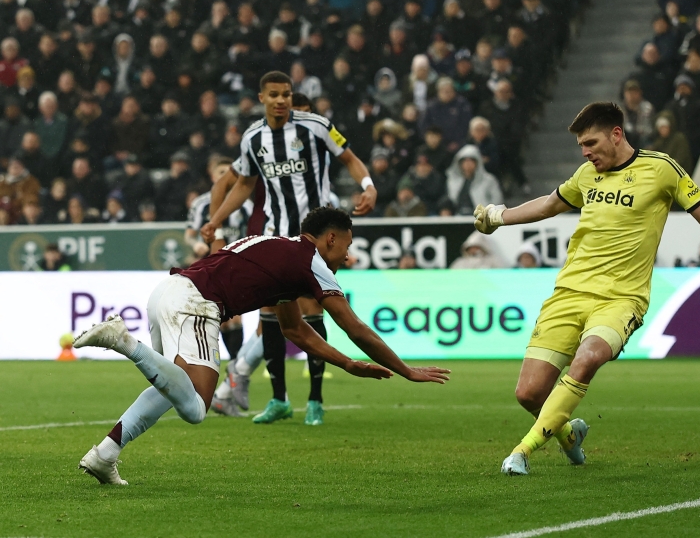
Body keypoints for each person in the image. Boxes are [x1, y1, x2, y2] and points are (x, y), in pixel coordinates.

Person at [472, 102, 700, 475]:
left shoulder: (661, 169)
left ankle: (522, 451)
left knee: (587, 358)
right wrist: (498, 216)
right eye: (581, 146)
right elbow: (550, 204)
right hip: (569, 293)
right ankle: (569, 435)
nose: (585, 152)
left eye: (591, 143)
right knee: (529, 393)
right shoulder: (587, 175)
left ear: (616, 134)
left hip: (621, 300)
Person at [75, 206, 450, 485]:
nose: (348, 256)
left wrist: (348, 364)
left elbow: (295, 330)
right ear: (331, 238)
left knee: (170, 388)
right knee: (195, 407)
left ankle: (105, 454)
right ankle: (125, 342)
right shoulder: (311, 262)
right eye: (347, 246)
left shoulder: (282, 250)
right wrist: (406, 371)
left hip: (168, 292)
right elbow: (355, 328)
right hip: (196, 305)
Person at [200, 72, 378, 425]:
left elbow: (349, 158)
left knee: (312, 309)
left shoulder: (316, 126)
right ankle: (278, 398)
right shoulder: (253, 137)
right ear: (262, 98)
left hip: (312, 239)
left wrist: (369, 185)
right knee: (270, 314)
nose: (281, 100)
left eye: (286, 94)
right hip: (276, 237)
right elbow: (244, 184)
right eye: (274, 95)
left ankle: (315, 400)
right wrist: (216, 219)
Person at [446, 144, 503, 215]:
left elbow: (497, 202)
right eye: (465, 161)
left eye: (471, 161)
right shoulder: (452, 181)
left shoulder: (489, 180)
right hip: (457, 217)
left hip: (482, 218)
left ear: (477, 163)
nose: (468, 164)